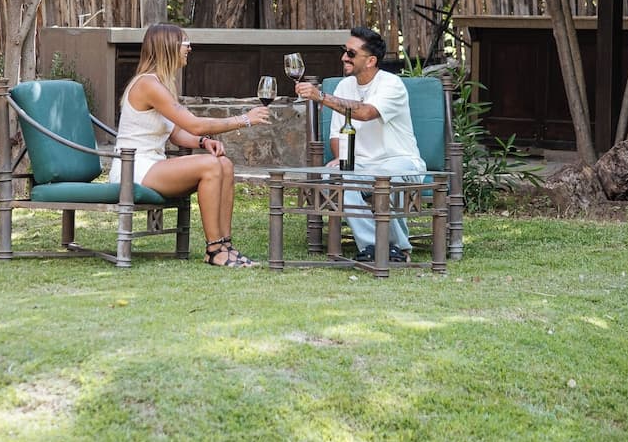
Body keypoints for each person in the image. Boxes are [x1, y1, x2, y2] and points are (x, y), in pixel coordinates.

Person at [108, 23, 271, 267]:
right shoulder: (147, 84)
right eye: (185, 43)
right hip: (132, 168)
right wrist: (244, 119)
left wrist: (203, 142)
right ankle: (214, 249)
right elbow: (194, 124)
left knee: (224, 164)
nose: (190, 48)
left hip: (152, 165)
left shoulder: (161, 84)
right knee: (210, 165)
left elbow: (177, 133)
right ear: (168, 47)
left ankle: (226, 246)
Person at [295, 27, 426, 263]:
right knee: (333, 177)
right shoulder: (344, 87)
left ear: (370, 61)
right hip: (362, 167)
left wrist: (321, 96)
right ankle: (373, 245)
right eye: (344, 51)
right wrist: (341, 159)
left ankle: (398, 248)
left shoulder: (391, 84)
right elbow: (336, 136)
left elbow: (365, 113)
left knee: (385, 178)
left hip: (400, 163)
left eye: (351, 53)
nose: (344, 57)